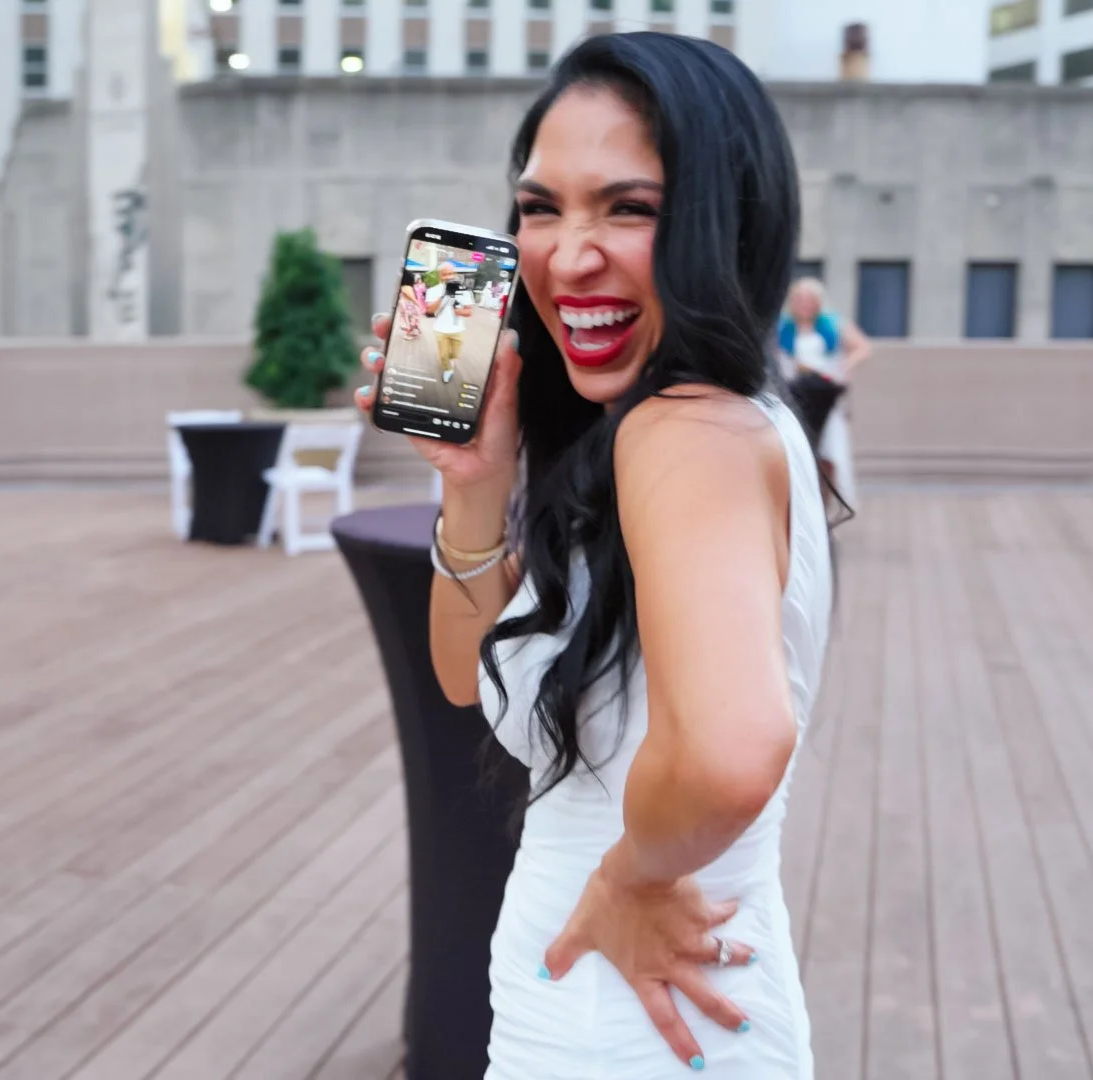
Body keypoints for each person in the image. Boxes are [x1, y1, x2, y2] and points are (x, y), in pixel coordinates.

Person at [355, 32, 830, 1079]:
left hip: (637, 1023)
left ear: (724, 221)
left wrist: (624, 879)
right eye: (540, 207)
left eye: (629, 208)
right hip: (615, 1010)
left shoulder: (685, 432)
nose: (568, 255)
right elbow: (465, 679)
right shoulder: (674, 429)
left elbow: (733, 752)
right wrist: (475, 485)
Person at [778, 277, 869, 509]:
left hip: (825, 396)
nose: (803, 304)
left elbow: (862, 347)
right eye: (798, 299)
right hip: (797, 397)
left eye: (808, 300)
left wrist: (843, 368)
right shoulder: (783, 327)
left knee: (829, 453)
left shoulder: (832, 324)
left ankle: (826, 507)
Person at [428, 265, 467, 383]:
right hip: (440, 329)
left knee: (455, 354)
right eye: (445, 274)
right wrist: (444, 295)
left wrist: (459, 311)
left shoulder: (463, 290)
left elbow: (469, 311)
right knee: (443, 356)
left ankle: (450, 361)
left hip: (458, 329)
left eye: (451, 273)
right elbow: (429, 310)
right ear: (440, 276)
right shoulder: (433, 290)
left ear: (454, 274)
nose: (448, 277)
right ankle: (448, 370)